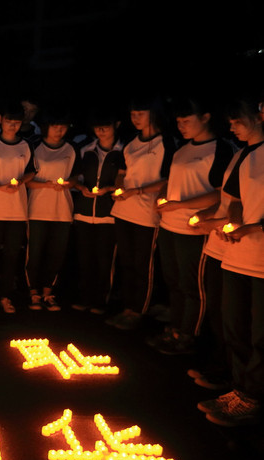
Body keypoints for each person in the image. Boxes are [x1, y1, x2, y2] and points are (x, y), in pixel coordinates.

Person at [197, 95, 264, 426]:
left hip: (261, 258)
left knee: (260, 333)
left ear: (258, 116)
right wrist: (232, 224)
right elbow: (234, 200)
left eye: (238, 120)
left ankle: (253, 397)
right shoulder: (244, 155)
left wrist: (255, 227)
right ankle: (239, 390)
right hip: (238, 255)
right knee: (234, 325)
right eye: (231, 122)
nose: (233, 127)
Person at [150, 96, 231, 355]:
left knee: (192, 284)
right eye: (178, 122)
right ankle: (176, 327)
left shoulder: (220, 150)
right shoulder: (182, 149)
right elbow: (173, 182)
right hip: (168, 225)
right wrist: (164, 198)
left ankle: (189, 334)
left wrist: (181, 205)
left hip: (194, 228)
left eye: (186, 120)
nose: (181, 126)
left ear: (205, 117)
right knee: (173, 280)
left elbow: (221, 193)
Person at [106, 97, 174, 330]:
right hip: (124, 209)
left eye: (140, 114)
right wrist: (119, 187)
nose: (135, 118)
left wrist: (139, 190)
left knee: (143, 263)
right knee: (126, 261)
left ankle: (139, 309)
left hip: (147, 212)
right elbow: (122, 172)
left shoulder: (166, 143)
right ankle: (127, 307)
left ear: (153, 113)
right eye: (133, 114)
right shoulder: (130, 142)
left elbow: (169, 179)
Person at [0, 101, 36, 313]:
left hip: (17, 210)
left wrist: (20, 181)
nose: (13, 126)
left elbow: (32, 171)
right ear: (0, 120)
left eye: (17, 122)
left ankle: (6, 296)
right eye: (9, 121)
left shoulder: (26, 145)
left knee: (12, 255)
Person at [24, 109, 80, 311]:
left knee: (56, 253)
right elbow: (25, 180)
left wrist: (69, 183)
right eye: (55, 126)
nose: (59, 131)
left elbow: (76, 177)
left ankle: (48, 291)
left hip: (62, 209)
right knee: (35, 252)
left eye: (63, 127)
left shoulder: (72, 149)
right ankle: (33, 292)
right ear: (46, 127)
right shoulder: (34, 146)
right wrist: (45, 185)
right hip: (37, 208)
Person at [71, 109, 124, 315]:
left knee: (105, 259)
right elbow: (77, 178)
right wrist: (81, 188)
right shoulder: (86, 150)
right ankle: (85, 297)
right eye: (97, 127)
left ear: (115, 126)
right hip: (84, 212)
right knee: (85, 258)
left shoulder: (123, 151)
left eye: (106, 127)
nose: (101, 131)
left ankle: (102, 300)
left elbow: (124, 180)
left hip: (108, 213)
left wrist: (110, 189)